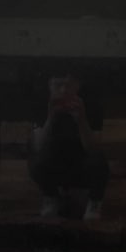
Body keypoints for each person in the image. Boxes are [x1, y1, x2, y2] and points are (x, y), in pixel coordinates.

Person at [28, 76, 109, 220]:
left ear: (78, 86)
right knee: (35, 162)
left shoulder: (90, 105)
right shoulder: (43, 105)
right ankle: (51, 197)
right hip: (56, 166)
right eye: (58, 85)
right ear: (49, 85)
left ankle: (94, 202)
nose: (63, 90)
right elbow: (38, 147)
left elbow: (93, 149)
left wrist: (81, 120)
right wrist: (50, 118)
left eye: (69, 85)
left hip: (82, 167)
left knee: (99, 161)